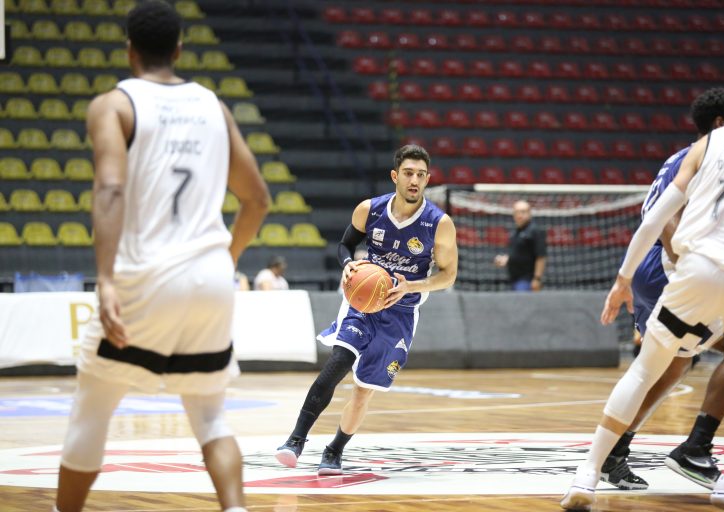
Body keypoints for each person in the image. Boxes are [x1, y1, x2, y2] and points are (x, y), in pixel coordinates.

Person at [54, 2, 271, 512]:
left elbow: (110, 189)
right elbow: (258, 199)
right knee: (210, 416)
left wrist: (105, 279)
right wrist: (227, 258)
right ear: (179, 49)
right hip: (211, 277)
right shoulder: (214, 107)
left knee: (91, 410)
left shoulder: (114, 106)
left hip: (145, 275)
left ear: (128, 49)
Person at [561, 59, 724, 512]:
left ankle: (589, 471)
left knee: (656, 367)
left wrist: (623, 277)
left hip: (691, 269)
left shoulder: (705, 146)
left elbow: (653, 217)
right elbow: (666, 221)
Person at [600, 88, 724, 492]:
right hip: (668, 267)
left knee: (669, 366)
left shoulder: (690, 155)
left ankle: (613, 450)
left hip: (655, 268)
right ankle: (695, 446)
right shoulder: (703, 157)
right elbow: (666, 219)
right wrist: (687, 270)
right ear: (721, 123)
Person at [274, 144, 458, 474]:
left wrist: (411, 286)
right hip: (363, 303)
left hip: (402, 311)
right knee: (338, 362)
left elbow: (448, 275)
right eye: (408, 173)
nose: (414, 180)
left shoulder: (439, 223)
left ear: (427, 179)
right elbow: (345, 245)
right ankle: (295, 440)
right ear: (395, 176)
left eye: (420, 175)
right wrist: (347, 264)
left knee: (362, 392)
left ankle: (334, 450)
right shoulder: (369, 210)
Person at [493, 200, 546, 291]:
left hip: (527, 280)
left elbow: (541, 257)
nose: (519, 215)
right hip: (514, 278)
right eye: (517, 212)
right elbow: (519, 254)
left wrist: (537, 279)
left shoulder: (534, 231)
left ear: (529, 213)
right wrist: (507, 260)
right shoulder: (516, 232)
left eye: (523, 212)